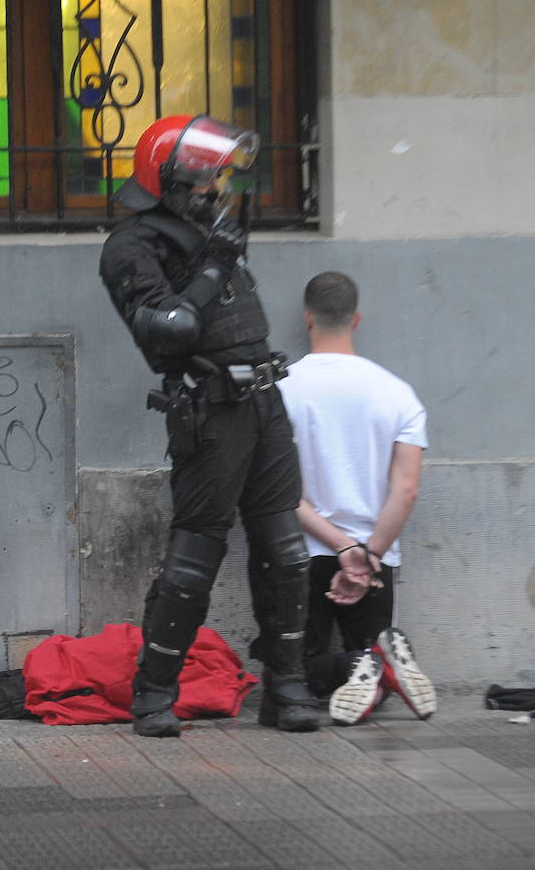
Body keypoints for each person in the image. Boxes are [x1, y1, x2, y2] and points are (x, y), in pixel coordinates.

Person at [99, 114, 321, 737]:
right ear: (164, 182)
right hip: (210, 408)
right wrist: (214, 267)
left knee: (287, 553)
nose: (213, 191)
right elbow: (168, 329)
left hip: (263, 401)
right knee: (195, 555)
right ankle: (152, 695)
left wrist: (216, 256)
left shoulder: (208, 231)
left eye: (216, 179)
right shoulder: (132, 245)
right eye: (200, 182)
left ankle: (288, 687)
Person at [260, 270, 436, 725]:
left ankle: (356, 666)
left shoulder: (281, 390)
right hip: (376, 559)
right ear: (356, 319)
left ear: (307, 319)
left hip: (304, 550)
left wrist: (340, 547)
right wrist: (366, 555)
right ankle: (370, 661)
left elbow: (280, 494)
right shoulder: (399, 394)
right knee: (372, 680)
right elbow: (406, 489)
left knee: (292, 679)